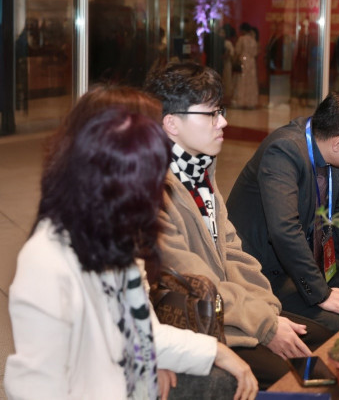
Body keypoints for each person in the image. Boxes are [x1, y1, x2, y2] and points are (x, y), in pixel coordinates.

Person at [5, 105, 258, 400]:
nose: (157, 196)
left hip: (125, 380)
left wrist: (216, 351)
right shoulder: (47, 261)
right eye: (149, 184)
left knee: (228, 378)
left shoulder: (113, 235)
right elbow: (35, 386)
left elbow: (144, 333)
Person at [144, 62, 332, 389]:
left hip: (232, 313)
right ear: (171, 123)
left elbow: (234, 253)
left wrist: (268, 313)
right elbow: (194, 281)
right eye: (211, 114)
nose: (223, 122)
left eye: (221, 111)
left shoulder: (200, 172)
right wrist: (265, 325)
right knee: (297, 374)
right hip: (196, 324)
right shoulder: (153, 190)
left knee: (323, 339)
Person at [226, 91, 339, 331]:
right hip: (266, 270)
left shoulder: (329, 151)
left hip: (309, 258)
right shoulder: (283, 151)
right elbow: (285, 230)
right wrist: (322, 294)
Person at [232, 22, 259, 109]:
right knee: (251, 81)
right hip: (251, 62)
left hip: (243, 61)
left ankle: (240, 101)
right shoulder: (253, 40)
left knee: (241, 81)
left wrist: (235, 60)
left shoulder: (241, 39)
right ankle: (250, 102)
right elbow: (255, 53)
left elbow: (237, 51)